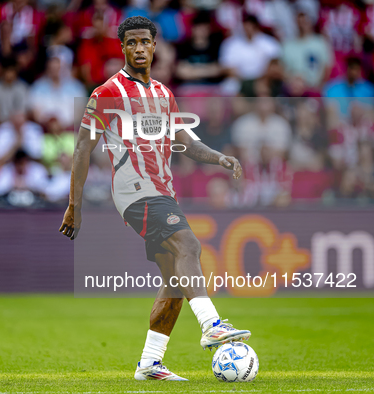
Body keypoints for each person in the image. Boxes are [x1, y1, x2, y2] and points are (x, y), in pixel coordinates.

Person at [59, 16, 251, 381]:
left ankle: (150, 362)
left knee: (176, 277)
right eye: (131, 43)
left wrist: (220, 158)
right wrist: (75, 204)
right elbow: (83, 147)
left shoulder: (164, 94)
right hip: (134, 189)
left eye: (144, 42)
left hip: (162, 190)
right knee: (189, 246)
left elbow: (185, 142)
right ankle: (212, 324)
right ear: (122, 48)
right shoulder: (107, 92)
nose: (139, 49)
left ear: (154, 45)